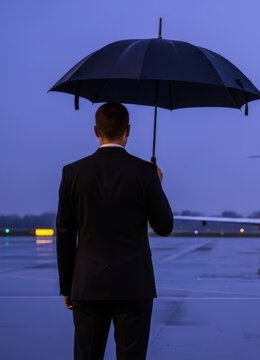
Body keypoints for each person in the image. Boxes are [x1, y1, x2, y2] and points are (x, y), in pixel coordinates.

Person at [56, 102, 173, 360]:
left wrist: (68, 286)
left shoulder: (72, 173)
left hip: (87, 285)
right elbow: (164, 227)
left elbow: (65, 234)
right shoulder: (145, 173)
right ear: (127, 130)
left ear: (96, 130)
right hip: (134, 285)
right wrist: (157, 185)